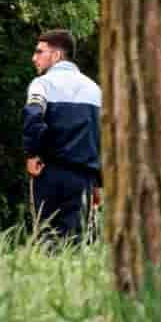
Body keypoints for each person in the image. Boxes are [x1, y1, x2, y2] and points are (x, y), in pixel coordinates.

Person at [22, 29, 102, 243]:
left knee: (46, 239)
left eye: (40, 52)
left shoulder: (42, 84)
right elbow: (101, 138)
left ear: (56, 55)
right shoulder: (95, 90)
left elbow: (32, 117)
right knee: (77, 244)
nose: (34, 58)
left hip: (49, 173)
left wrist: (32, 154)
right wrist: (98, 182)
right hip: (83, 178)